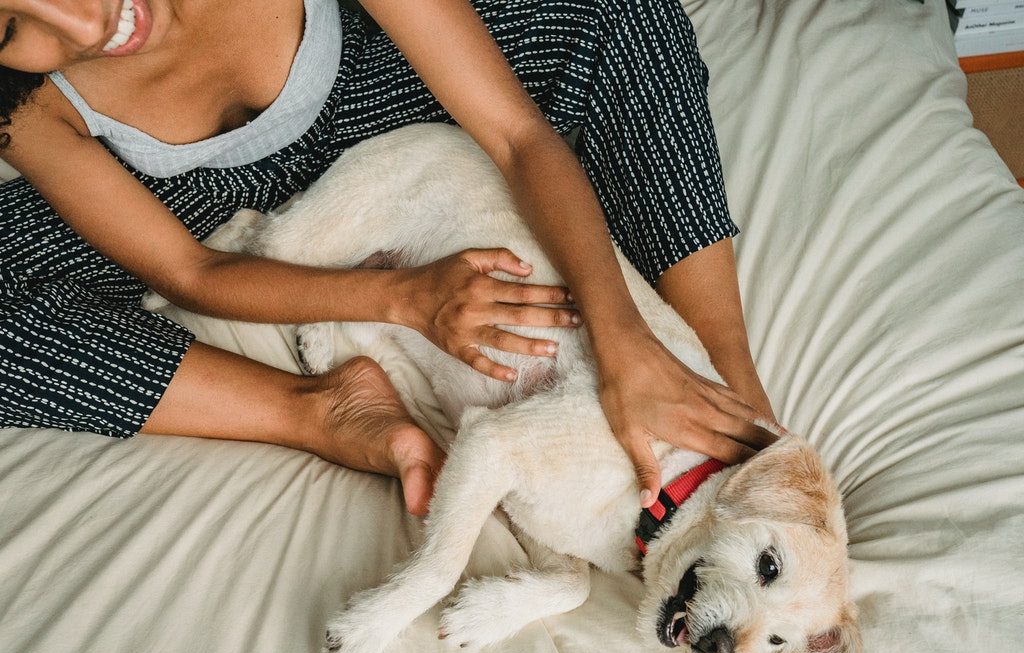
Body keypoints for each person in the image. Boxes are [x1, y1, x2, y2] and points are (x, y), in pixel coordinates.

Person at [0, 0, 777, 517]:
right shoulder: (24, 102)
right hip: (198, 200)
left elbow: (516, 136)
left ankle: (720, 377)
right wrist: (402, 298)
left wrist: (624, 339)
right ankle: (315, 410)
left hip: (379, 89)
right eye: (6, 27)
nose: (82, 23)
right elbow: (191, 274)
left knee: (617, 9)